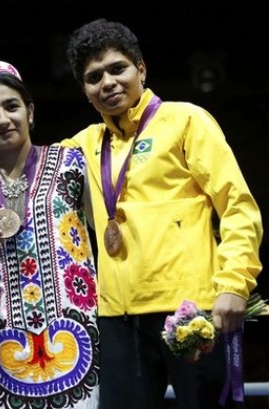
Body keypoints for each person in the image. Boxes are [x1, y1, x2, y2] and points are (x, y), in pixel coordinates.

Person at [61, 18, 263, 409]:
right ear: (85, 91)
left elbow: (237, 204)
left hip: (191, 307)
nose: (107, 82)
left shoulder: (186, 119)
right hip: (117, 316)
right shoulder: (84, 144)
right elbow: (24, 166)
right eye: (94, 77)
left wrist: (234, 284)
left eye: (117, 69)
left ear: (141, 69)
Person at [0, 60, 99, 409]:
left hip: (79, 341)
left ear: (30, 111)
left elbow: (112, 230)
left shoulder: (73, 164)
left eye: (11, 106)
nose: (2, 119)